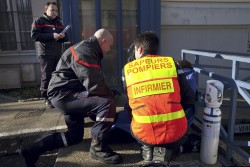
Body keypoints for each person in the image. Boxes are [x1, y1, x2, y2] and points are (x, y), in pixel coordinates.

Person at [18, 29, 122, 167]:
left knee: (74, 137)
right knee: (107, 103)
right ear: (103, 41)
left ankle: (32, 149)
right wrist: (110, 98)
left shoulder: (87, 49)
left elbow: (90, 83)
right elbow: (95, 86)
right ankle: (98, 148)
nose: (109, 49)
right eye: (110, 45)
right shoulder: (85, 51)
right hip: (64, 95)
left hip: (66, 94)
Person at [122, 31, 195, 163]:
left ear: (139, 49)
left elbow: (129, 103)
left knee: (133, 112)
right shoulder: (171, 63)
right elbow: (189, 97)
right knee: (190, 110)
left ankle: (147, 147)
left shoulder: (127, 69)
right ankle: (167, 147)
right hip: (176, 131)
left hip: (142, 132)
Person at [31, 1, 68, 108]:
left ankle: (56, 95)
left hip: (57, 53)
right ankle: (46, 97)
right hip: (45, 53)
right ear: (46, 10)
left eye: (56, 10)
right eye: (52, 10)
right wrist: (52, 35)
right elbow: (35, 36)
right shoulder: (39, 21)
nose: (54, 12)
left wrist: (62, 37)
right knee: (46, 76)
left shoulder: (58, 22)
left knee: (57, 75)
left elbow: (66, 38)